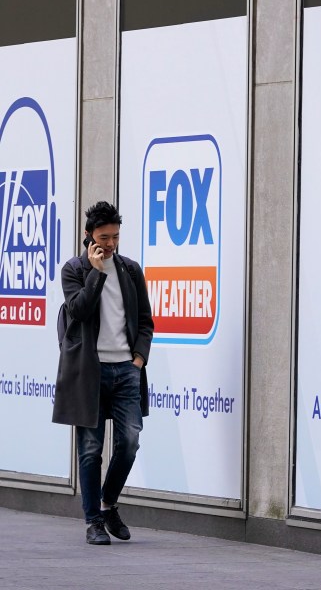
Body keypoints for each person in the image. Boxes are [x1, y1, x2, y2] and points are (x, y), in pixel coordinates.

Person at [53, 201, 154, 545]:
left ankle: (108, 505)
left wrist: (138, 359)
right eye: (103, 237)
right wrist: (96, 273)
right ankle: (93, 521)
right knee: (90, 450)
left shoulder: (131, 270)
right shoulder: (74, 270)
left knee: (130, 442)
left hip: (126, 370)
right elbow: (79, 311)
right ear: (88, 237)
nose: (110, 244)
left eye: (115, 237)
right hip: (89, 372)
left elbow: (144, 321)